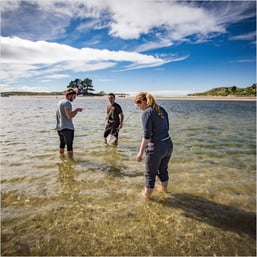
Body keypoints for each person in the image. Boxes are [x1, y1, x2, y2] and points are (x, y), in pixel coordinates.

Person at [134, 92, 173, 199]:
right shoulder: (162, 109)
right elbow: (167, 128)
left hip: (157, 147)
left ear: (143, 101)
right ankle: (164, 191)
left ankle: (146, 197)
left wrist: (140, 153)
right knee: (163, 170)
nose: (139, 108)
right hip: (168, 144)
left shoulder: (147, 113)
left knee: (150, 175)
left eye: (139, 105)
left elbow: (147, 136)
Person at [56, 88, 83, 159]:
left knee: (62, 144)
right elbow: (69, 116)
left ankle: (61, 158)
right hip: (67, 128)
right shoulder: (67, 103)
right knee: (69, 146)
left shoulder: (60, 102)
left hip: (59, 128)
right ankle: (70, 163)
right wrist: (77, 110)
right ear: (70, 95)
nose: (74, 99)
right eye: (74, 96)